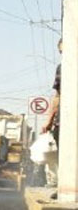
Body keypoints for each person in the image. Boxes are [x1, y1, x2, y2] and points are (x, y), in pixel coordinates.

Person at [42, 66, 61, 196]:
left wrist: (49, 121)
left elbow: (58, 96)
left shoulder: (65, 66)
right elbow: (58, 96)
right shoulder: (64, 66)